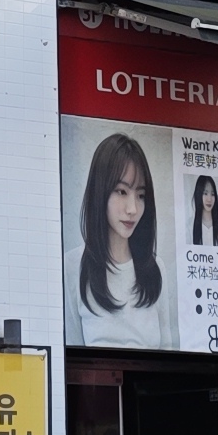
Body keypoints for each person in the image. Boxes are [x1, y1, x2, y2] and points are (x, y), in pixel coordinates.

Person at [74, 134, 162, 326]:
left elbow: (168, 346)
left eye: (140, 195)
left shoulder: (155, 268)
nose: (133, 209)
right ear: (100, 192)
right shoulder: (72, 267)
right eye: (121, 192)